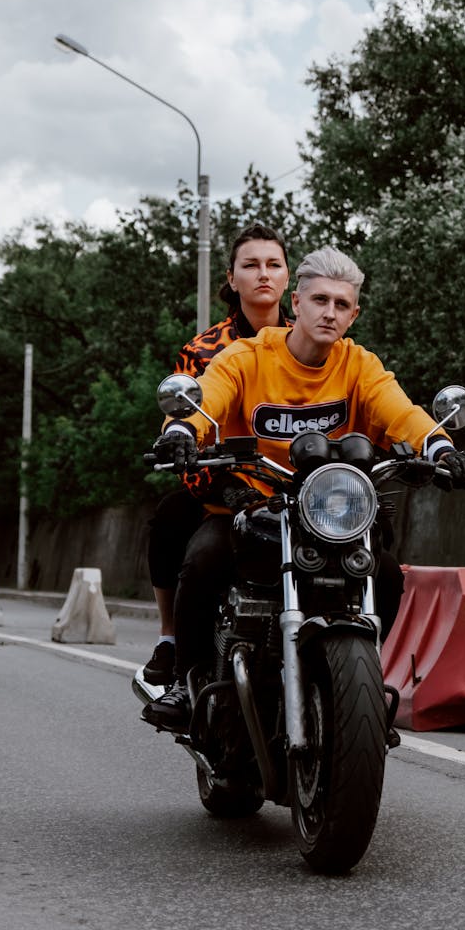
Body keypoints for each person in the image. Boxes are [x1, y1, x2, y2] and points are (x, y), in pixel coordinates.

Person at [142, 246, 465, 730]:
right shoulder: (246, 357)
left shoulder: (359, 364)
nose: (329, 312)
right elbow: (209, 399)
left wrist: (440, 448)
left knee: (385, 574)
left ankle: (358, 685)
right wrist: (180, 432)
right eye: (320, 300)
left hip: (331, 512)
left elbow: (399, 411)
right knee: (201, 562)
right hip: (252, 506)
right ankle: (185, 681)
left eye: (341, 305)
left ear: (354, 313)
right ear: (295, 304)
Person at [143, 222, 292, 685]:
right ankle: (175, 649)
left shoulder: (314, 340)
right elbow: (187, 422)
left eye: (274, 264)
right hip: (224, 487)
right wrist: (226, 489)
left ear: (289, 278)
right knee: (173, 524)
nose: (263, 274)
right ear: (232, 279)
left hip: (301, 493)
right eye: (251, 265)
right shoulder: (204, 350)